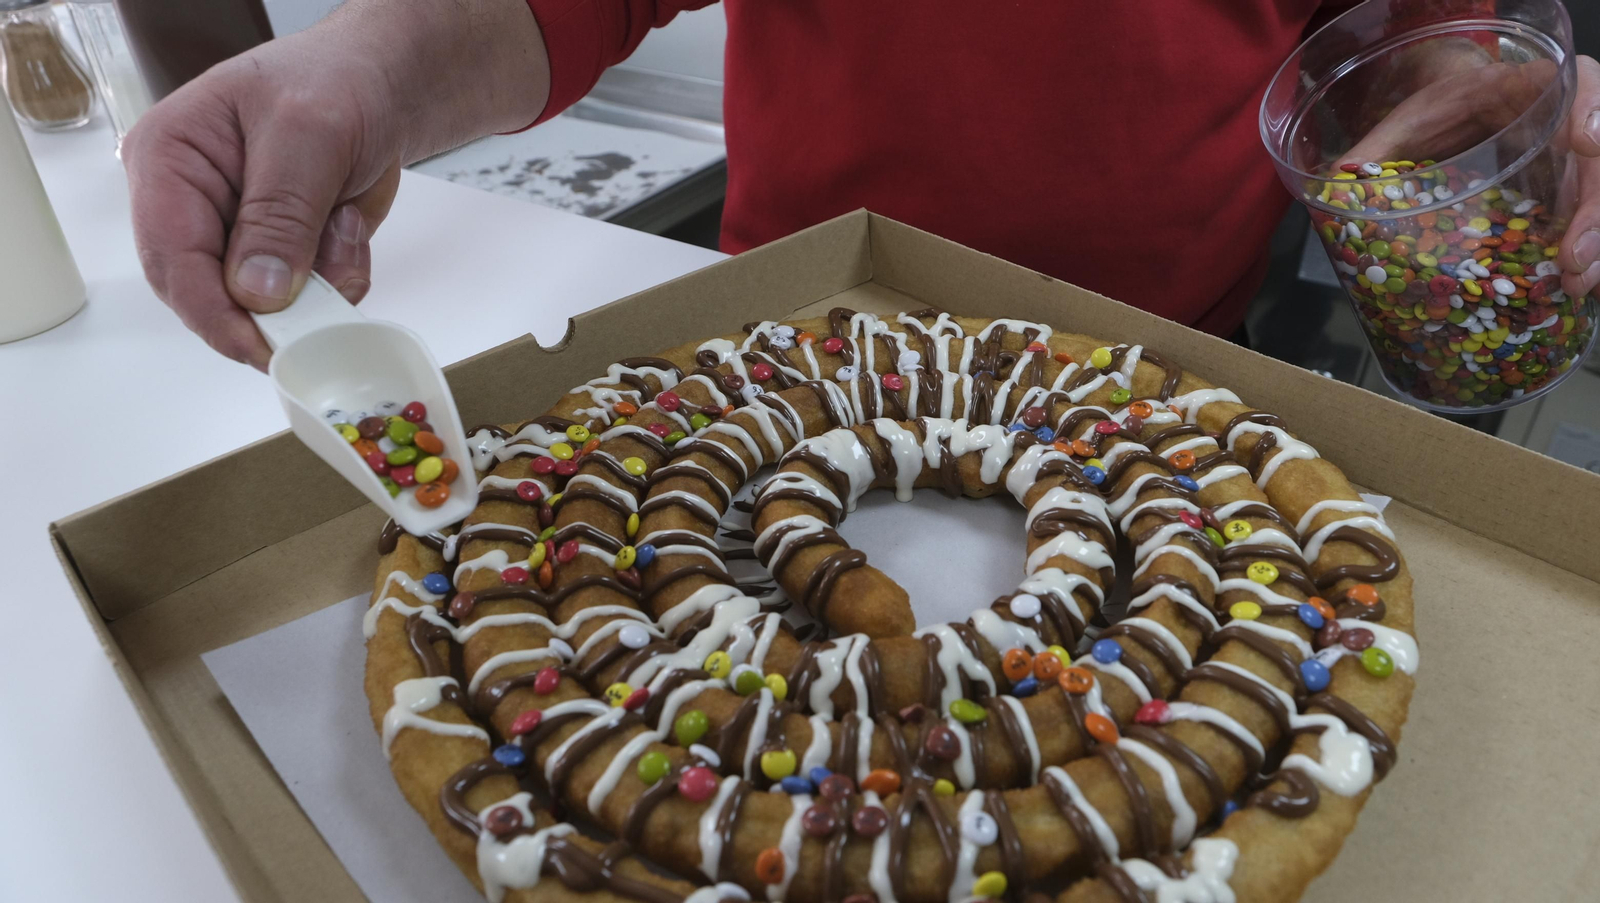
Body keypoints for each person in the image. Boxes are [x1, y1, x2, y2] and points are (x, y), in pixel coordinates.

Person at [123, 0, 1600, 371]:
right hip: (806, 330)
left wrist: (1486, 92)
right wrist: (369, 67)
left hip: (1181, 350)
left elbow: (1401, 48)